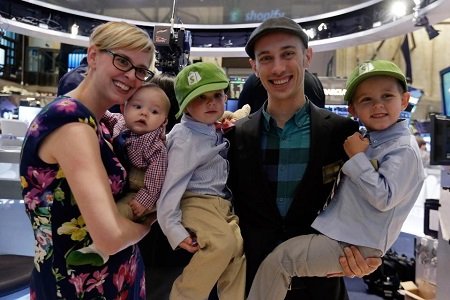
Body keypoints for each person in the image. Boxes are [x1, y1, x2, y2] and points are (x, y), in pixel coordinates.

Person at [226, 16, 382, 299]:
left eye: (288, 54)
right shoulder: (234, 136)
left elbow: (373, 199)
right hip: (252, 281)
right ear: (254, 66)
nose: (278, 67)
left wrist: (369, 256)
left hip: (321, 284)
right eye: (266, 58)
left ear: (307, 56)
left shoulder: (342, 133)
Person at [247, 59, 426, 300]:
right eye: (367, 100)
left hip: (345, 247)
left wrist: (356, 159)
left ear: (403, 100)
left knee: (282, 260)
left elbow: (383, 197)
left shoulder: (352, 138)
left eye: (387, 96)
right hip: (323, 242)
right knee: (281, 261)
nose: (378, 106)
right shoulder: (364, 140)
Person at [19, 21, 155, 299]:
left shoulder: (98, 122)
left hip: (109, 280)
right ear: (93, 56)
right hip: (79, 287)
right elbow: (110, 236)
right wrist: (151, 223)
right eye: (122, 61)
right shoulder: (71, 123)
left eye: (141, 70)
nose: (131, 76)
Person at [157, 61, 246, 300]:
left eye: (217, 95)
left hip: (221, 204)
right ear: (185, 106)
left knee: (237, 248)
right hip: (195, 201)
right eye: (200, 97)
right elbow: (171, 185)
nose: (211, 102)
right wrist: (173, 230)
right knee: (223, 244)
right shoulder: (184, 137)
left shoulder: (210, 128)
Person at [66, 83, 171, 266]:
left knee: (120, 212)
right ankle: (91, 239)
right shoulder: (120, 122)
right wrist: (85, 104)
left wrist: (144, 199)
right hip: (124, 182)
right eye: (137, 107)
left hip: (140, 189)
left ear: (164, 121)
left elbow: (157, 176)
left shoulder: (156, 146)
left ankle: (99, 251)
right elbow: (103, 114)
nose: (144, 113)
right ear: (125, 108)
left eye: (154, 112)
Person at [237, 69, 325, 113]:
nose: (279, 69)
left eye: (288, 54)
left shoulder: (254, 80)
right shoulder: (315, 81)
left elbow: (242, 113)